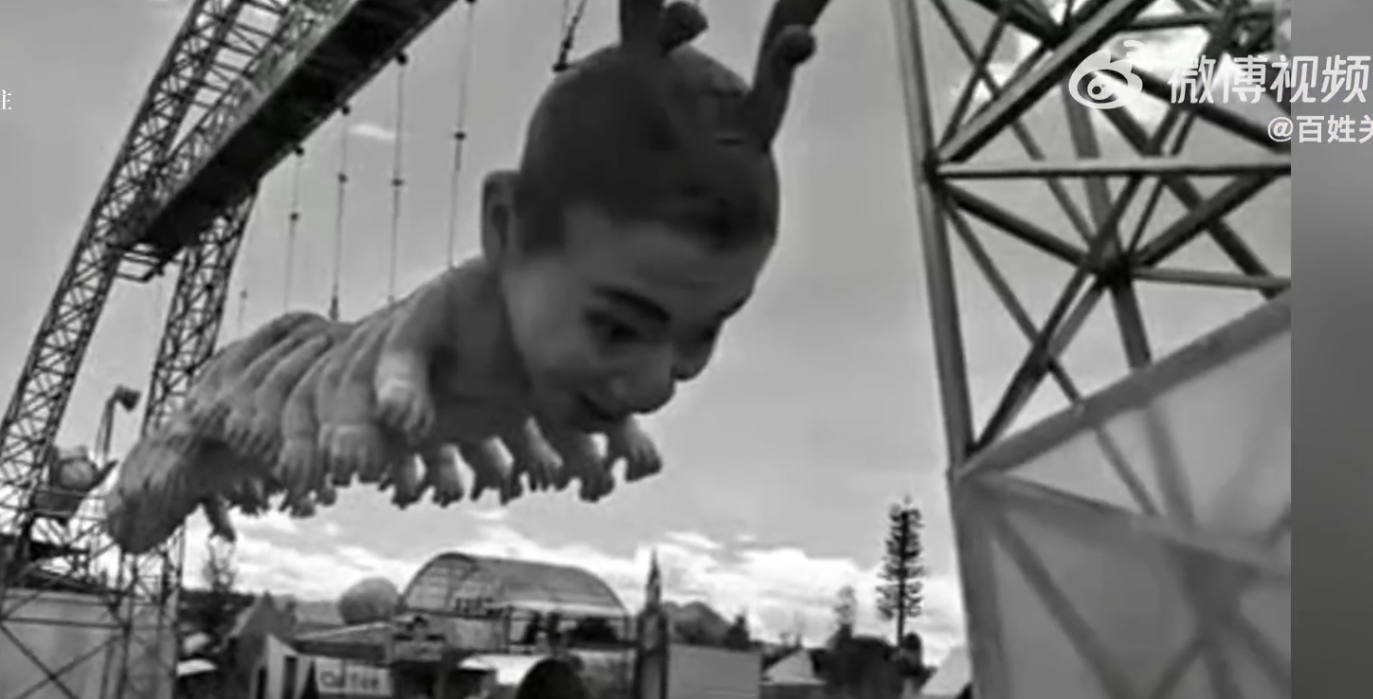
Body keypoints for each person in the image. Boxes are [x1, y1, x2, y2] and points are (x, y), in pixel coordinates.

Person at [105, 0, 831, 551]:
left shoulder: (555, 358)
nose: (655, 387)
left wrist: (603, 442)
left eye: (702, 336)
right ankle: (186, 482)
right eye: (616, 326)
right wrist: (375, 402)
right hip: (305, 390)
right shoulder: (464, 305)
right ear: (503, 229)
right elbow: (372, 367)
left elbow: (525, 412)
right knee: (292, 359)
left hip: (409, 425)